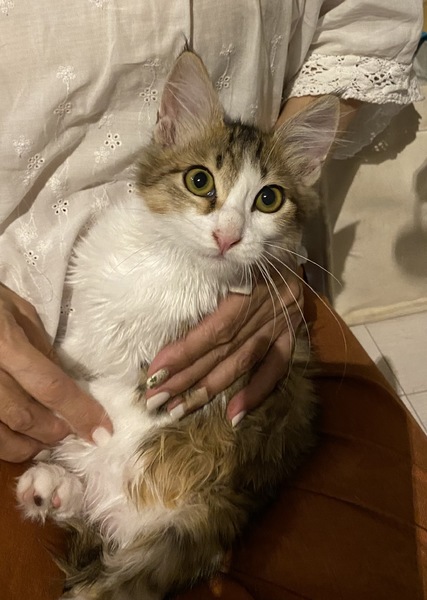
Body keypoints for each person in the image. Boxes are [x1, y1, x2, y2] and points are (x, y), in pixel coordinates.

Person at [0, 1, 422, 464]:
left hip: (256, 305)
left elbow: (368, 19)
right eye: (202, 182)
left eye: (267, 200)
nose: (228, 232)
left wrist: (278, 257)